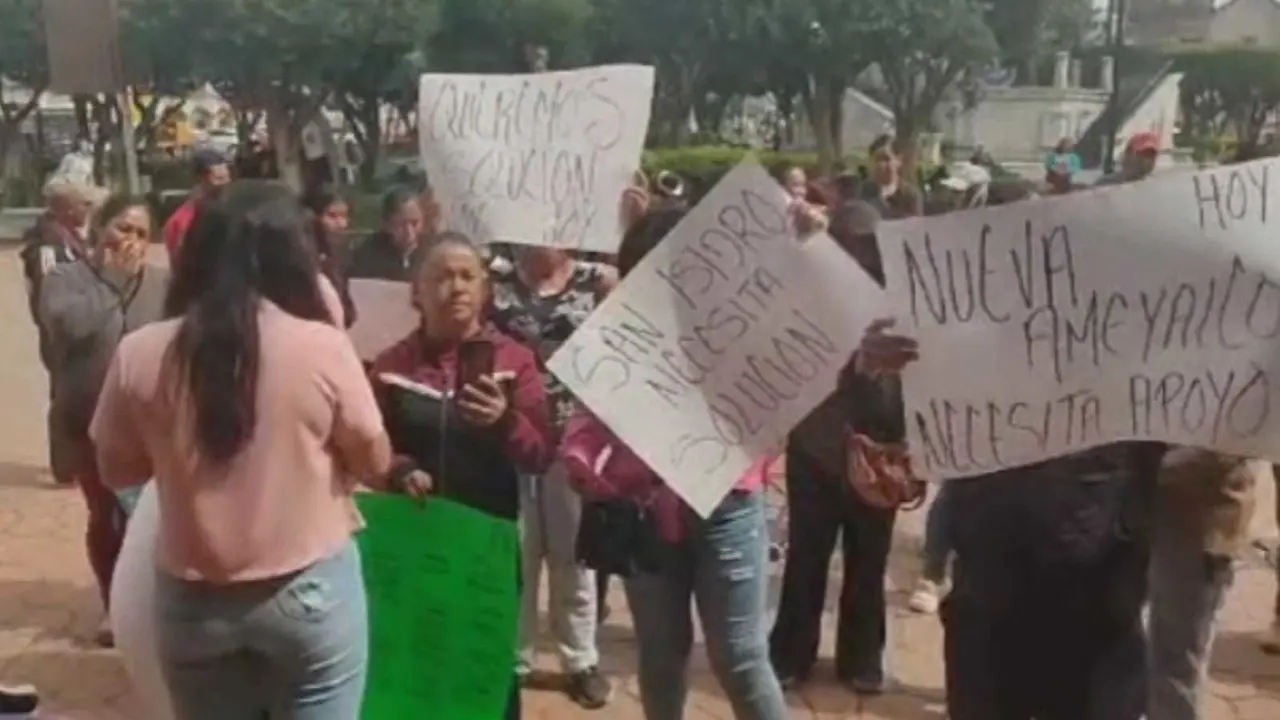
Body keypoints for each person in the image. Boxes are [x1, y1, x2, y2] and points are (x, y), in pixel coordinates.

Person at [89, 180, 397, 718]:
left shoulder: (139, 353)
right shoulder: (321, 346)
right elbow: (375, 460)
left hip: (193, 602)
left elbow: (117, 469)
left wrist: (175, 453)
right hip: (308, 591)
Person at [849, 184, 1157, 720]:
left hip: (1094, 611)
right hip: (988, 604)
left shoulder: (1138, 339)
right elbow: (909, 459)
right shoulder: (944, 341)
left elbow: (1189, 433)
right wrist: (874, 390)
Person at [559, 205, 792, 720]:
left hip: (727, 508)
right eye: (648, 268)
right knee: (661, 657)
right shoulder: (613, 334)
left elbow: (785, 394)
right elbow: (585, 420)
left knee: (740, 658)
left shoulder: (742, 326)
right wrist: (582, 460)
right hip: (643, 518)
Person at [370, 234, 555, 720]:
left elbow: (540, 454)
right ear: (416, 291)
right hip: (412, 545)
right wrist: (398, 468)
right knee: (414, 668)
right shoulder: (390, 367)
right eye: (441, 276)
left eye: (468, 276)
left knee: (485, 670)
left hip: (484, 551)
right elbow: (367, 450)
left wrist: (506, 422)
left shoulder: (515, 362)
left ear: (486, 289)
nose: (456, 287)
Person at [769, 200, 903, 694]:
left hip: (879, 458)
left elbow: (911, 388)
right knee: (806, 558)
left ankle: (862, 657)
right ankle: (789, 653)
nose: (860, 257)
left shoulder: (904, 307)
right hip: (814, 451)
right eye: (848, 245)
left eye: (868, 247)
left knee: (869, 564)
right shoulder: (807, 296)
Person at [487, 244, 616, 708]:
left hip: (573, 442)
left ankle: (580, 659)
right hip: (510, 437)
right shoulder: (493, 278)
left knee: (573, 556)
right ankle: (514, 658)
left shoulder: (596, 280)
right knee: (517, 552)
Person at [37, 195, 168, 647]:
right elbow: (69, 330)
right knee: (108, 516)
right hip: (86, 422)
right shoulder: (64, 279)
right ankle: (115, 606)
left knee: (151, 519)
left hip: (151, 428)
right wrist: (111, 283)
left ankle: (152, 603)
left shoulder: (161, 285)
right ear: (99, 227)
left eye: (141, 233)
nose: (130, 241)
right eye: (122, 228)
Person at [22, 181, 96, 486]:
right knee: (65, 394)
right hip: (61, 333)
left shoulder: (69, 238)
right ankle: (66, 465)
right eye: (84, 205)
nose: (88, 211)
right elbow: (48, 293)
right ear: (66, 207)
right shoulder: (48, 244)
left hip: (77, 328)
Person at [162, 149, 231, 264]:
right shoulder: (182, 222)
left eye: (227, 179)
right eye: (218, 179)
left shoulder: (235, 214)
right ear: (200, 178)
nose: (225, 186)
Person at [302, 186, 357, 327]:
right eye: (332, 216)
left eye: (344, 216)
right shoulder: (301, 260)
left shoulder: (341, 255)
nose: (341, 224)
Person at [347, 187, 427, 281]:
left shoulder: (431, 253)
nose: (409, 232)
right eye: (400, 224)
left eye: (415, 223)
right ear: (387, 224)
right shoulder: (368, 254)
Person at [860, 135, 923, 219]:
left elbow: (915, 227)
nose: (881, 165)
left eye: (886, 159)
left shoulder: (910, 195)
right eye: (877, 160)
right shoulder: (861, 193)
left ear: (898, 160)